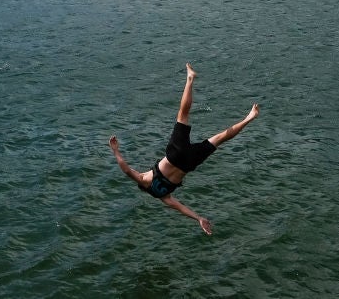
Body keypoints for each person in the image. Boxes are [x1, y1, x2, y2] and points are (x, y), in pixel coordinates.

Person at [109, 63, 259, 235]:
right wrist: (115, 150)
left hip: (188, 164)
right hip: (175, 155)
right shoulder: (143, 180)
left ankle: (250, 117)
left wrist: (199, 218)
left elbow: (181, 209)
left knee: (220, 138)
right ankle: (189, 79)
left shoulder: (163, 197)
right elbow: (126, 169)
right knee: (182, 115)